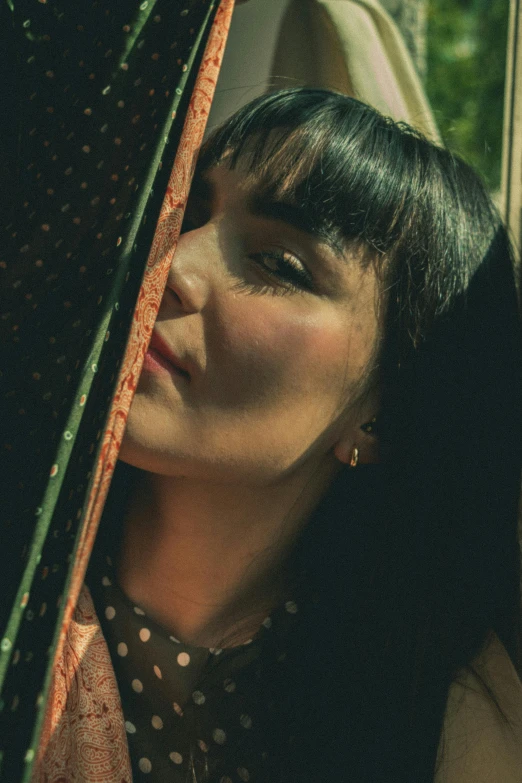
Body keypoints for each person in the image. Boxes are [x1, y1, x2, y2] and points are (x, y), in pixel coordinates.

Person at [45, 87, 522, 782]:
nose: (173, 263)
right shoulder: (26, 575)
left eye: (280, 264)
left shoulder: (435, 724)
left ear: (380, 413)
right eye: (184, 210)